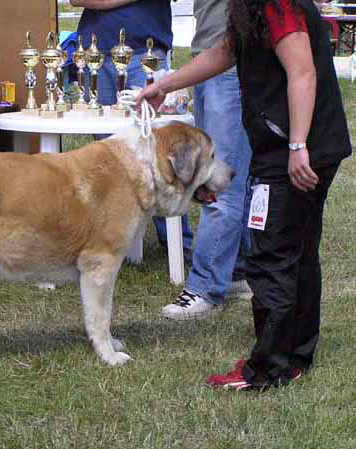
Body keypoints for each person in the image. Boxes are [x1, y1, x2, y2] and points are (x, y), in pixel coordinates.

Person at [136, 0, 352, 390]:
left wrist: (297, 145)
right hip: (307, 145)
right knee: (299, 252)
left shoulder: (277, 3)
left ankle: (267, 369)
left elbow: (302, 71)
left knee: (272, 256)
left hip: (293, 149)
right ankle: (295, 355)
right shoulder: (254, 8)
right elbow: (226, 51)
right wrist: (166, 85)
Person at [70, 0, 195, 260]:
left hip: (145, 53)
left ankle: (175, 242)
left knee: (159, 148)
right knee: (107, 156)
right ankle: (114, 235)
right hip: (96, 51)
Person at [159, 0, 253, 320]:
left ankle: (205, 287)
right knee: (235, 176)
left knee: (218, 180)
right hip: (209, 57)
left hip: (226, 61)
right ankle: (238, 271)